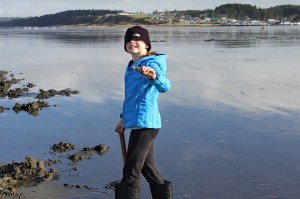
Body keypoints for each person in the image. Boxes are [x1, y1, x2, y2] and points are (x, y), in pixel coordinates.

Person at [114, 26, 172, 199]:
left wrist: (154, 76)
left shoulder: (151, 64)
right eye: (129, 40)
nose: (133, 42)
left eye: (137, 39)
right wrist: (123, 119)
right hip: (138, 123)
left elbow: (165, 86)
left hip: (146, 125)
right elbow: (132, 98)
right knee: (148, 168)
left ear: (146, 44)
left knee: (131, 171)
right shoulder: (132, 66)